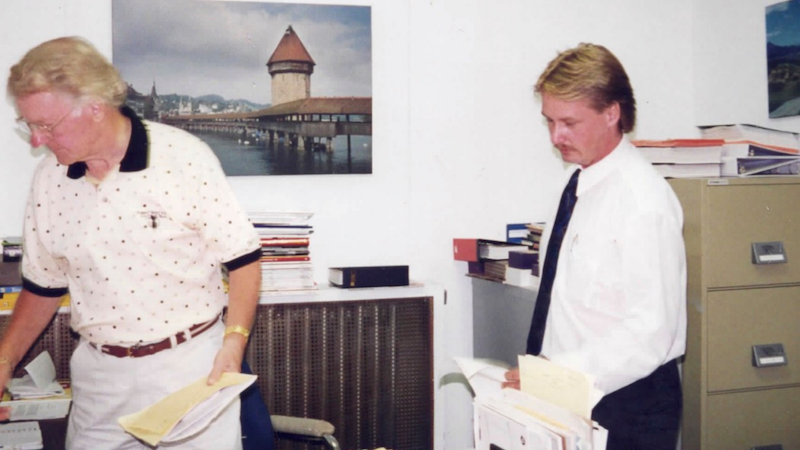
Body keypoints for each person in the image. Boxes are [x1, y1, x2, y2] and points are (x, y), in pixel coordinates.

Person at [1, 36, 263, 449]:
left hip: (190, 367)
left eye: (46, 125)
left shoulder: (183, 158)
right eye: (28, 125)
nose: (36, 140)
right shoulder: (49, 179)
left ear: (95, 107)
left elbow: (244, 260)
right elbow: (43, 286)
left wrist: (234, 343)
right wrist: (5, 359)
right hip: (99, 377)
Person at [503, 43, 687, 449]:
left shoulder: (643, 200)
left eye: (569, 122)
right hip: (570, 390)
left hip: (626, 402)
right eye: (549, 121)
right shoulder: (575, 181)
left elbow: (651, 331)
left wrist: (560, 371)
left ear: (612, 113)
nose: (556, 136)